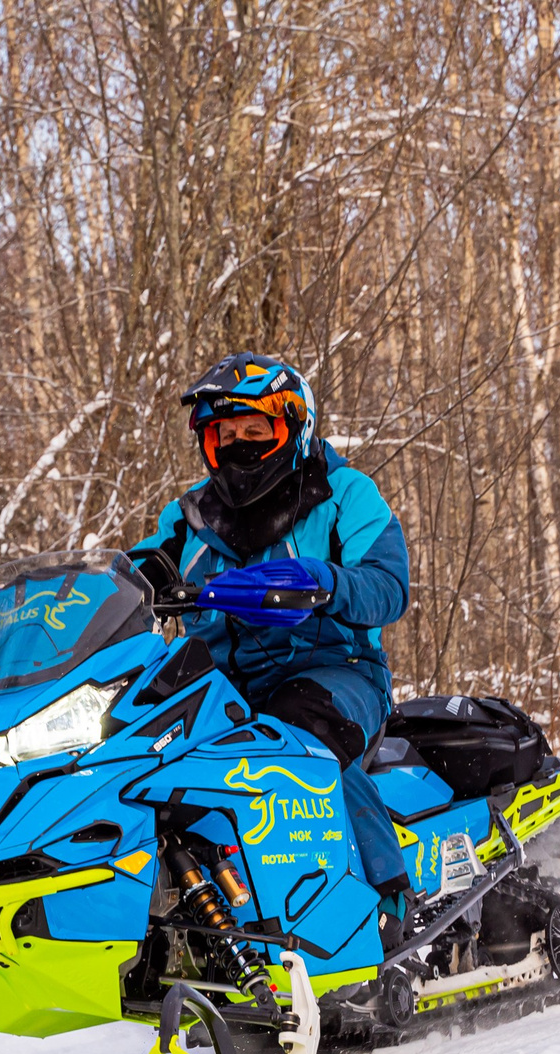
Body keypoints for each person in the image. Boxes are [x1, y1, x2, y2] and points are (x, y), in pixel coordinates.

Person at [128, 353, 414, 912]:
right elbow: (133, 576)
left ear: (292, 426)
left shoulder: (345, 495)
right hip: (218, 686)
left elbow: (389, 586)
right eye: (225, 435)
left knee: (299, 738)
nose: (239, 446)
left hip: (335, 670)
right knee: (134, 749)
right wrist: (94, 597)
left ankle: (385, 900)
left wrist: (326, 582)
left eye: (254, 432)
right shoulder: (188, 518)